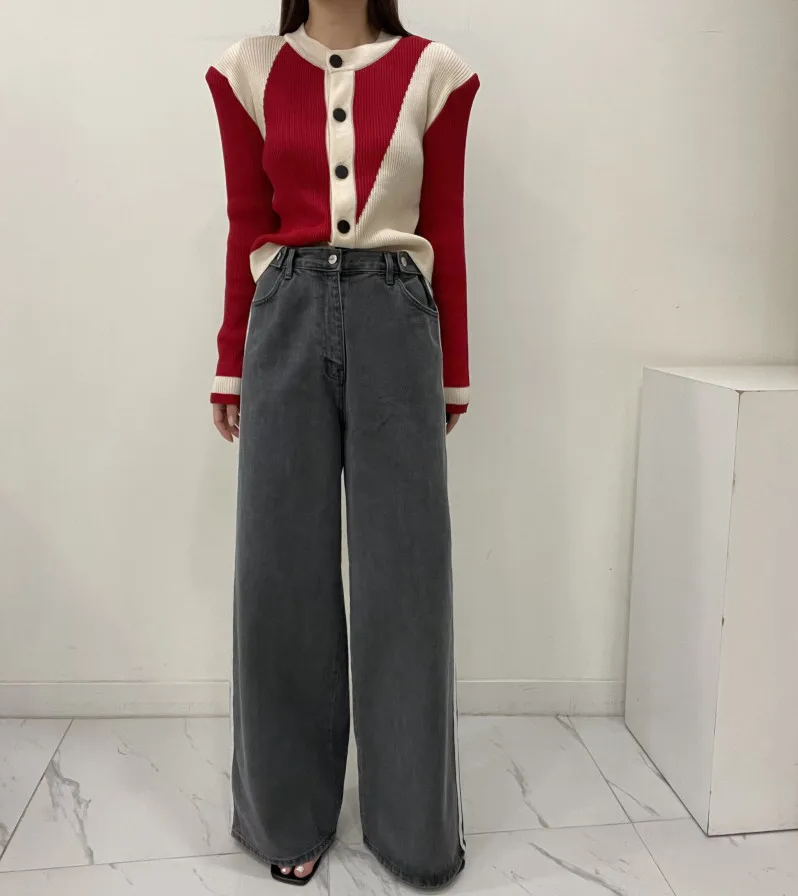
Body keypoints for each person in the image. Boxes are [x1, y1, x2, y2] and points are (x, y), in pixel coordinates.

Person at [206, 0, 478, 887]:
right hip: (283, 315)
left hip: (396, 319)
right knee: (278, 572)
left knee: (407, 578)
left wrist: (453, 372)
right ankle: (287, 814)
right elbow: (246, 221)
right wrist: (229, 365)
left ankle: (414, 829)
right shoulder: (246, 69)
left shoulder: (436, 71)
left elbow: (446, 224)